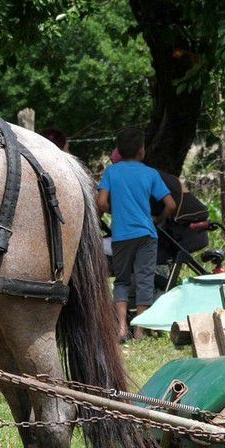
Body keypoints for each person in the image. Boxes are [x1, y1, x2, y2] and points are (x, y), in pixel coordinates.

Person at [96, 128, 176, 342]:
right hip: (146, 234)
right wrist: (157, 219)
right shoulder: (150, 173)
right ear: (142, 150)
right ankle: (140, 330)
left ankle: (121, 329)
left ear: (119, 151)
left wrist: (115, 210)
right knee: (144, 280)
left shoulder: (112, 173)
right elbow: (170, 204)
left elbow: (101, 203)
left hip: (121, 236)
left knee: (121, 280)